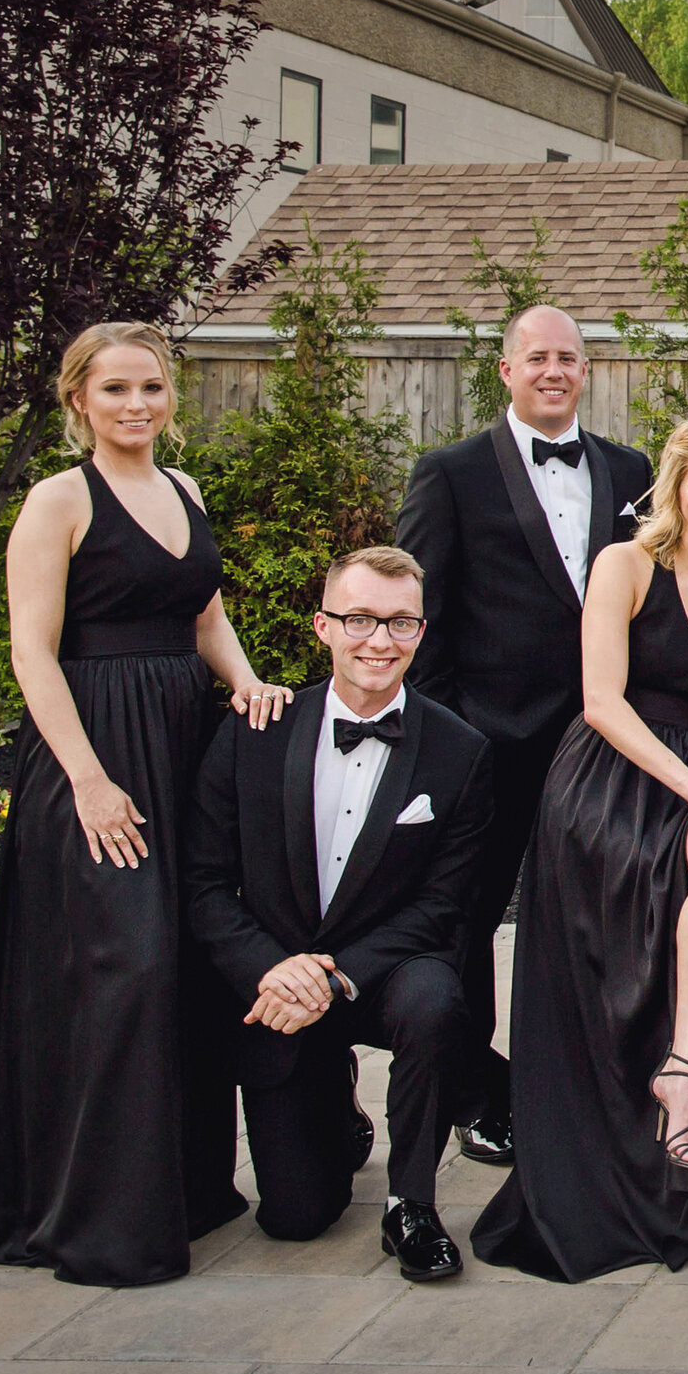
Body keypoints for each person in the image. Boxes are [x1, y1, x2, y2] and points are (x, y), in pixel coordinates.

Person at [0, 322, 288, 1287]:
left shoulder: (184, 490)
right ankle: (92, 1215)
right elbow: (29, 653)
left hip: (182, 745)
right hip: (93, 749)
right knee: (123, 970)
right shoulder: (57, 501)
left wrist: (247, 683)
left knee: (183, 965)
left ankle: (181, 1191)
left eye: (153, 388)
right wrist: (88, 778)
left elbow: (207, 616)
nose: (137, 404)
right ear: (78, 400)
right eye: (117, 389)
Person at [468, 418, 688, 1279]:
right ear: (674, 490)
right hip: (610, 781)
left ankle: (682, 1069)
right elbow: (601, 702)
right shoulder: (624, 566)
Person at [182, 546, 493, 1282]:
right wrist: (271, 968)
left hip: (383, 974)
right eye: (359, 619)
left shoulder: (461, 752)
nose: (379, 641)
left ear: (422, 630)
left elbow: (444, 905)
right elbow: (201, 881)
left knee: (434, 997)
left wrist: (339, 976)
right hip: (279, 984)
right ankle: (339, 1108)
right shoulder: (256, 728)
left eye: (400, 623)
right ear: (323, 625)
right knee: (295, 1218)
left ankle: (410, 1203)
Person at [396, 305, 654, 1164]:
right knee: (466, 919)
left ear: (587, 371)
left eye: (569, 359)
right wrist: (442, 742)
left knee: (601, 914)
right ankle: (477, 1093)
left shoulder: (631, 470)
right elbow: (419, 621)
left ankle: (587, 1082)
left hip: (603, 739)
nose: (554, 371)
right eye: (537, 357)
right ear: (505, 370)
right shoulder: (451, 473)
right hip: (488, 742)